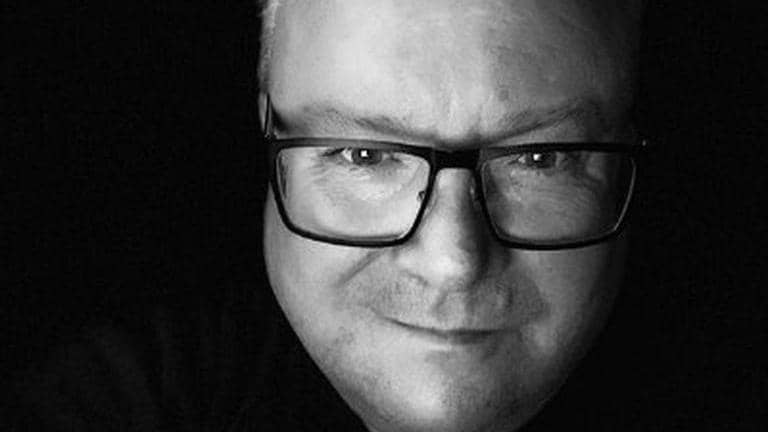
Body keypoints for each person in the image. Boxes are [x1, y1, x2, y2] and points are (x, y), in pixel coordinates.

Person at [5, 0, 646, 431]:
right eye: (365, 156)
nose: (452, 262)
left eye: (539, 158)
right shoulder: (132, 396)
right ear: (268, 129)